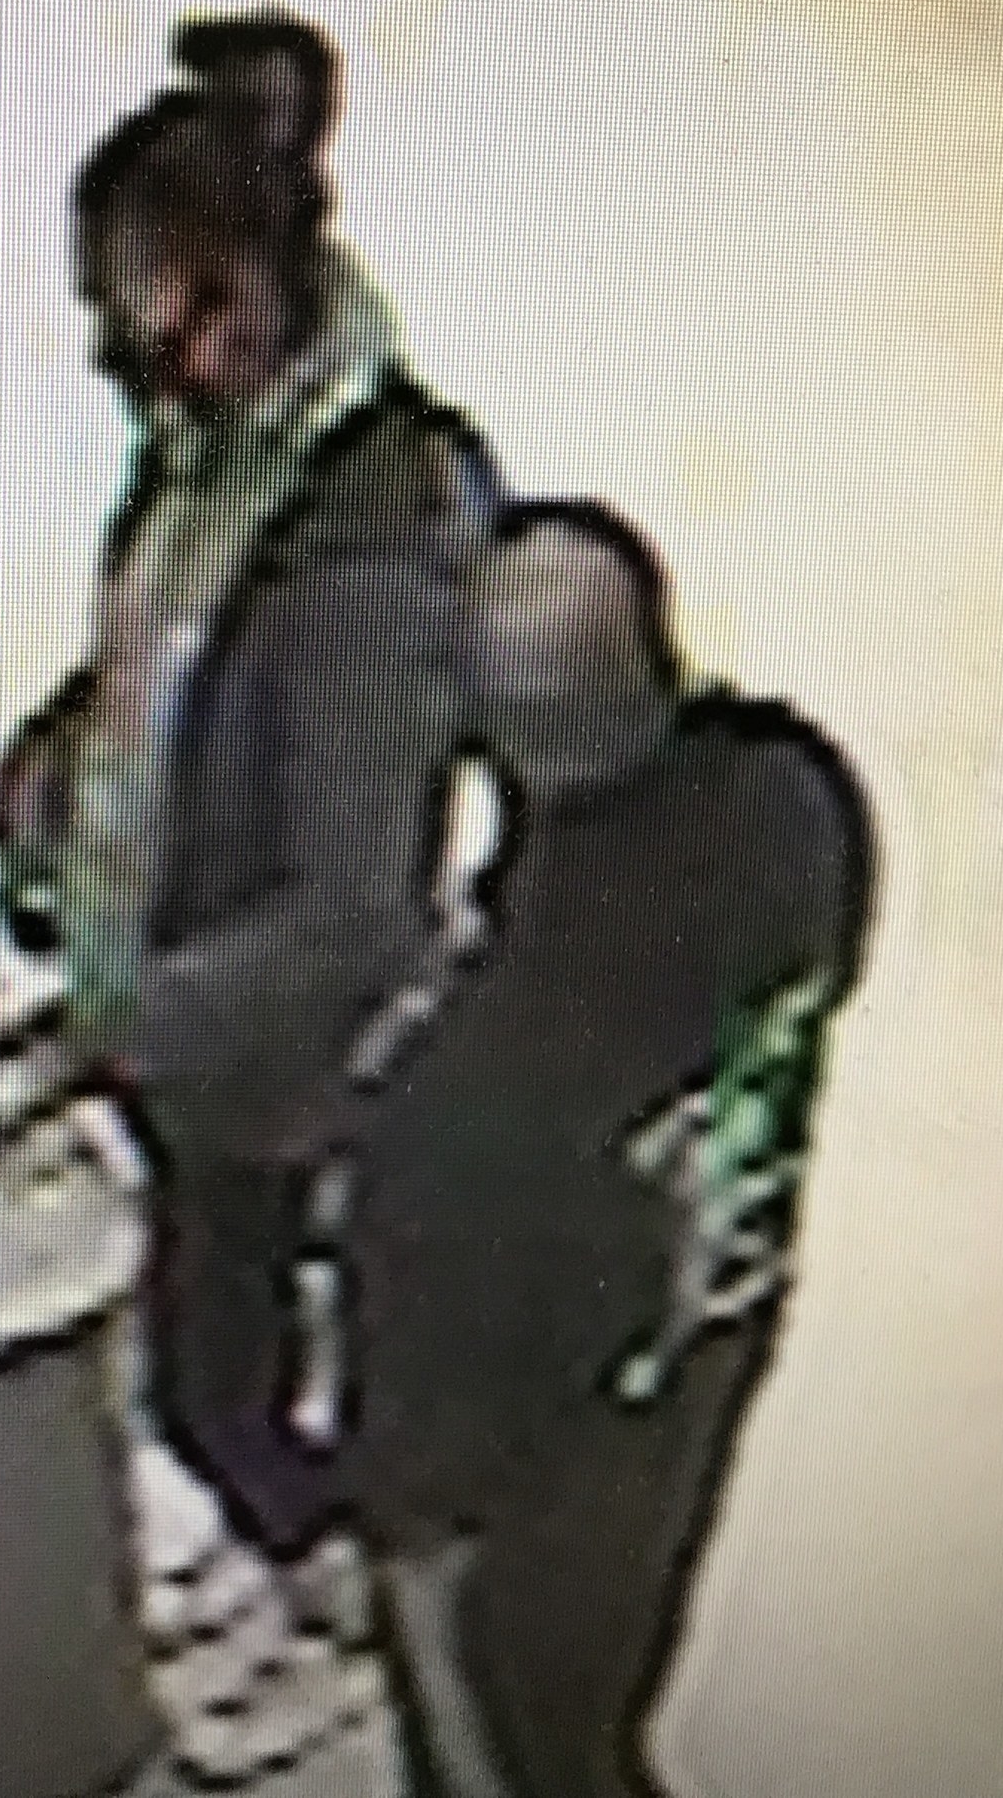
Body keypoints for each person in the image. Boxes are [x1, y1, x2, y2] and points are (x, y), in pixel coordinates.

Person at [0, 50, 499, 1690]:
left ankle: (333, 1599)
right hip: (176, 1009)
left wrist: (106, 1030)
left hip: (272, 1078)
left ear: (252, 298)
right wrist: (60, 757)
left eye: (144, 322)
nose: (116, 361)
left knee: (227, 1374)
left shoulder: (376, 557)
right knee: (198, 1346)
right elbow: (175, 638)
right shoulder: (215, 441)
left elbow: (358, 918)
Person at [340, 500, 875, 1798]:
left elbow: (416, 1522)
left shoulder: (458, 1105)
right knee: (613, 1679)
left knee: (538, 1730)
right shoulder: (798, 799)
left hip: (537, 1474)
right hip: (709, 1328)